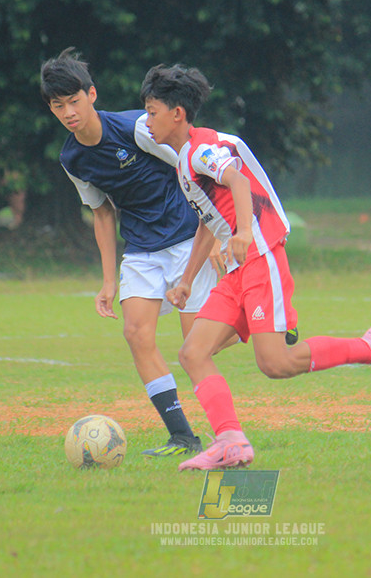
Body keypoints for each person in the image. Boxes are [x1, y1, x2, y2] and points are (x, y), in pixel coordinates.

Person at [139, 64, 371, 471]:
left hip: (260, 256)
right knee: (193, 352)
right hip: (237, 270)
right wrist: (187, 280)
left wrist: (244, 232)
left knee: (275, 363)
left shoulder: (201, 149)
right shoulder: (185, 161)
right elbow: (208, 220)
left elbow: (237, 182)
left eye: (151, 112)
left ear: (177, 113)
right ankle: (230, 441)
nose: (146, 121)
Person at [41, 48, 250, 457]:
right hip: (140, 248)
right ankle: (182, 436)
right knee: (137, 334)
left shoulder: (138, 129)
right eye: (58, 105)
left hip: (187, 239)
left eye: (74, 101)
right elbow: (102, 213)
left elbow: (195, 167)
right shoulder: (72, 157)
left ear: (92, 95)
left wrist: (218, 234)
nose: (68, 112)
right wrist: (107, 281)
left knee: (196, 347)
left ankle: (251, 323)